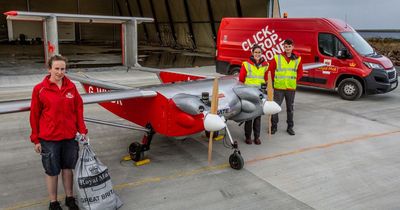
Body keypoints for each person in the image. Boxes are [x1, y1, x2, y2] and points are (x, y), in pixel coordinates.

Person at [30, 55, 87, 210]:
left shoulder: (71, 87)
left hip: (69, 137)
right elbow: (34, 115)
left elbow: (78, 110)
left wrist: (82, 130)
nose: (60, 72)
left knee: (68, 168)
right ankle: (53, 202)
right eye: (56, 68)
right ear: (49, 69)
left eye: (62, 69)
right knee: (52, 170)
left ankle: (70, 198)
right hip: (49, 139)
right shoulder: (39, 89)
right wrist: (35, 139)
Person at [269, 39, 303, 135]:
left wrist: (293, 81)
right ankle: (274, 127)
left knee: (290, 109)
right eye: (286, 46)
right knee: (275, 108)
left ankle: (290, 127)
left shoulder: (298, 58)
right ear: (283, 47)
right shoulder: (277, 57)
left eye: (289, 46)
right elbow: (270, 71)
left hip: (290, 89)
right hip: (278, 88)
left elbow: (300, 72)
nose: (287, 48)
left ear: (292, 47)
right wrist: (269, 84)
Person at [238, 44, 269, 145]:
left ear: (261, 53)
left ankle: (257, 137)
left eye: (259, 52)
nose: (257, 54)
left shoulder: (265, 65)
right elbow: (241, 80)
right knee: (249, 116)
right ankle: (248, 137)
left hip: (260, 94)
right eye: (255, 52)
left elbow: (267, 80)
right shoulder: (246, 64)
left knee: (258, 116)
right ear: (252, 53)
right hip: (249, 94)